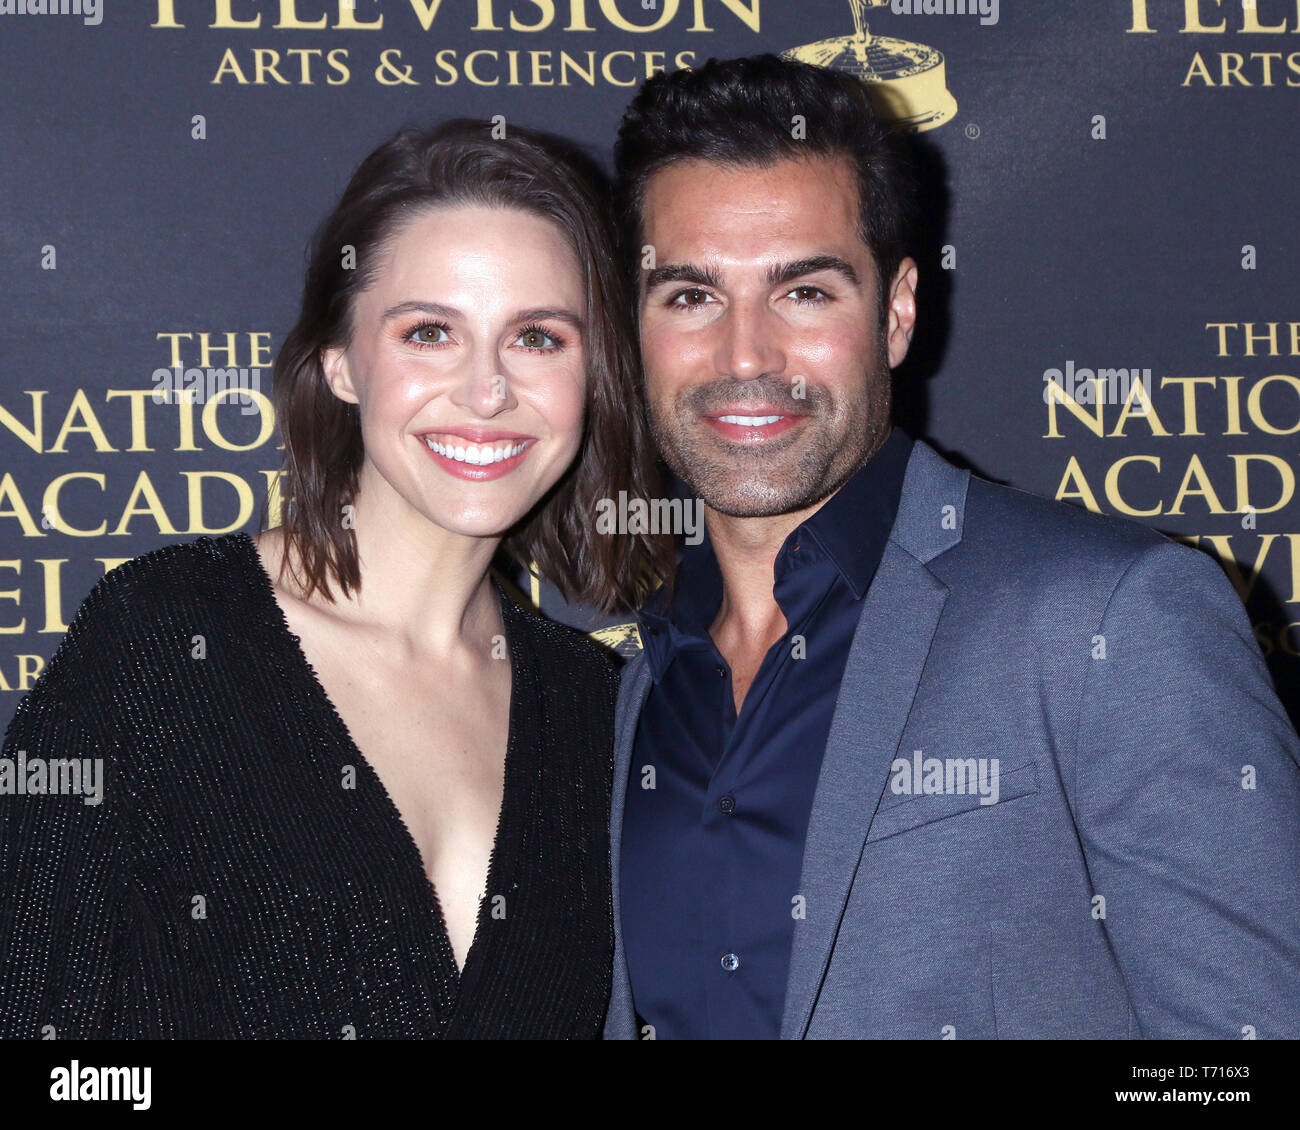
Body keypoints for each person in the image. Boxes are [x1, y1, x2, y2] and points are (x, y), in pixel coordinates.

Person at [603, 55, 1300, 1040]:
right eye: (691, 296)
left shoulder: (1109, 618)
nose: (745, 356)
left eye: (803, 292)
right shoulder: (634, 684)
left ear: (894, 313)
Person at [0, 119, 667, 1039]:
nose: (486, 391)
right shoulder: (164, 641)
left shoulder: (600, 708)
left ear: (594, 377)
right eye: (430, 332)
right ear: (342, 364)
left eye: (539, 338)